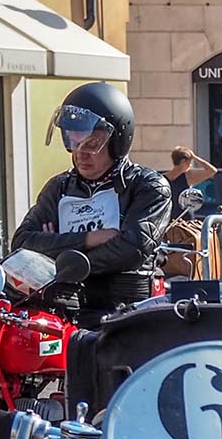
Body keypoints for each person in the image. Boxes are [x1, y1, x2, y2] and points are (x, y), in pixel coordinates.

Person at [12, 83, 171, 327]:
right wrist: (88, 239)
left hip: (124, 313)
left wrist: (55, 251)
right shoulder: (59, 187)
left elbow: (133, 249)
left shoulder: (148, 185)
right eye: (73, 142)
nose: (80, 153)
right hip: (63, 310)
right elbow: (22, 243)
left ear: (117, 141)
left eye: (92, 144)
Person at [166, 146, 216, 218]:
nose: (190, 165)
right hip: (174, 218)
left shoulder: (162, 177)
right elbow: (212, 171)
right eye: (189, 161)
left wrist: (194, 157)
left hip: (179, 218)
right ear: (183, 161)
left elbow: (212, 171)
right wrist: (194, 157)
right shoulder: (188, 176)